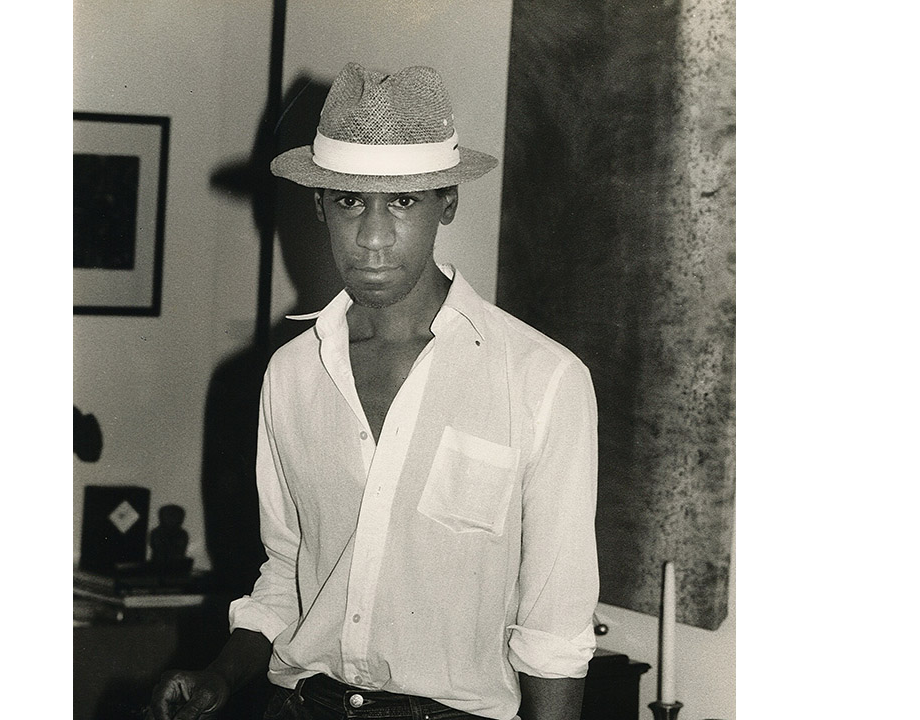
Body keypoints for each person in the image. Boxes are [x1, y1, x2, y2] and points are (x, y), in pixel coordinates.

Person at [152, 62, 599, 720]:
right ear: (320, 206)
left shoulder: (542, 381)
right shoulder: (292, 375)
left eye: (405, 201)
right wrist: (221, 676)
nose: (373, 236)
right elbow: (288, 571)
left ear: (449, 201)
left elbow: (555, 635)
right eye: (351, 201)